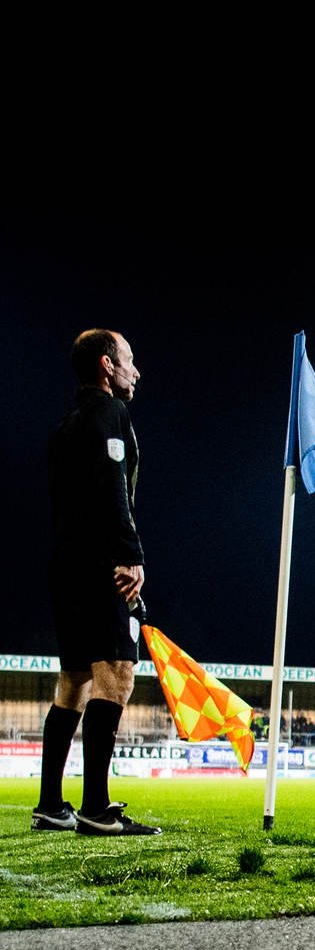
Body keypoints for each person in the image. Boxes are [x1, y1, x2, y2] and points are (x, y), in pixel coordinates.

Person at [37, 329, 162, 836]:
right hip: (102, 567)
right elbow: (113, 490)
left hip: (65, 569)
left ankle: (50, 804)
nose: (137, 371)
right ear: (107, 365)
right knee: (117, 673)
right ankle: (96, 807)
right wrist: (130, 555)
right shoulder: (111, 414)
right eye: (130, 360)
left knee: (74, 682)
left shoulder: (65, 426)